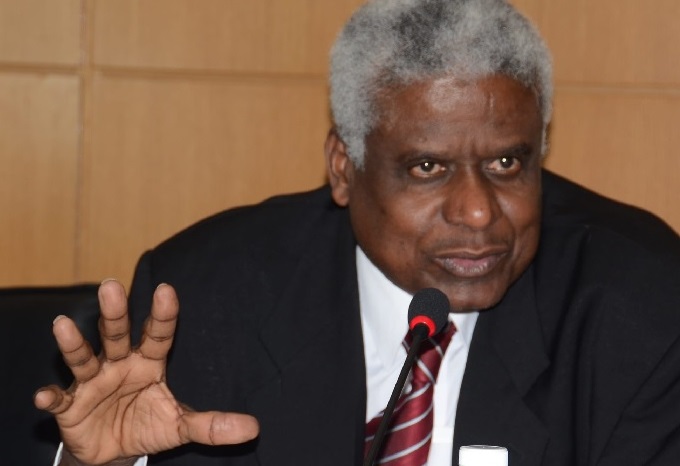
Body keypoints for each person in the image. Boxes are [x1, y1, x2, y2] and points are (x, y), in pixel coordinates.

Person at [34, 0, 680, 465]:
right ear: (344, 168)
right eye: (427, 168)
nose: (479, 213)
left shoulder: (644, 308)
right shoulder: (208, 299)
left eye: (507, 163)